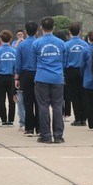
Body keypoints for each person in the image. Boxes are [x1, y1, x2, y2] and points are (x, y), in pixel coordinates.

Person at [33, 16, 66, 144]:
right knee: (57, 106)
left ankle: (45, 135)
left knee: (43, 106)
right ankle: (58, 135)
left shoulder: (36, 43)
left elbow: (33, 62)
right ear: (54, 28)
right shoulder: (61, 43)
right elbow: (64, 61)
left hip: (41, 77)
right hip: (57, 77)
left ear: (41, 28)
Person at [15, 22, 39, 136]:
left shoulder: (21, 45)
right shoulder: (39, 43)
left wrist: (16, 77)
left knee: (27, 102)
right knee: (39, 101)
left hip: (25, 75)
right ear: (37, 31)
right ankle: (39, 128)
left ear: (25, 32)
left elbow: (18, 63)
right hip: (39, 73)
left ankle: (29, 128)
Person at [0, 30, 17, 127]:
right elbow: (17, 66)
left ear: (0, 39)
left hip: (0, 77)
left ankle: (3, 120)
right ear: (11, 39)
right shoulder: (15, 51)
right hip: (11, 77)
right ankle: (11, 120)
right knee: (12, 100)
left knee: (1, 100)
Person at [80, 30, 93, 130]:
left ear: (89, 38)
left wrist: (83, 75)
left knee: (90, 103)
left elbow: (82, 66)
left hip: (88, 79)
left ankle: (92, 124)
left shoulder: (85, 50)